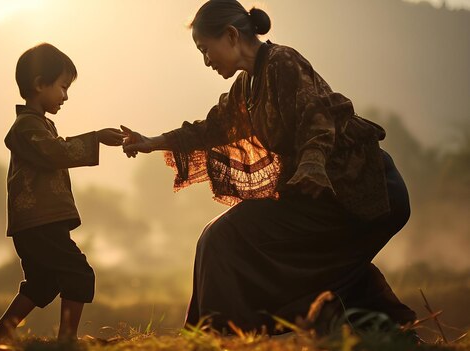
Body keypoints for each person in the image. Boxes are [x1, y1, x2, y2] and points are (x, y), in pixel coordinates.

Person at [122, 0, 417, 334]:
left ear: (231, 36)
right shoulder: (247, 87)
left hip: (366, 190)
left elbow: (318, 117)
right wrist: (151, 141)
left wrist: (312, 163)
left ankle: (220, 335)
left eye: (206, 49)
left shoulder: (282, 62)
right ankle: (395, 333)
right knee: (323, 267)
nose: (206, 61)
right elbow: (211, 128)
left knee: (227, 236)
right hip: (322, 195)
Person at [0, 43, 126, 341]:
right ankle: (67, 341)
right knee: (79, 272)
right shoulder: (26, 127)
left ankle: (1, 331)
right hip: (39, 223)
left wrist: (95, 139)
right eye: (62, 87)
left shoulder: (39, 125)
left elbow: (55, 149)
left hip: (38, 224)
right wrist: (96, 137)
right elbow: (54, 152)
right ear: (39, 84)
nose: (65, 95)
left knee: (42, 282)